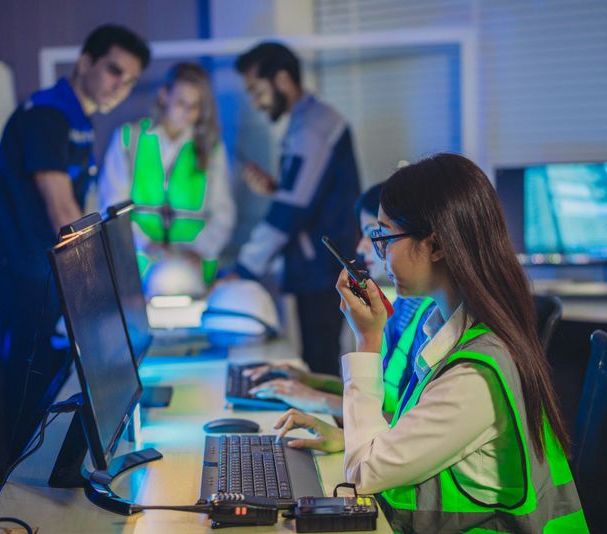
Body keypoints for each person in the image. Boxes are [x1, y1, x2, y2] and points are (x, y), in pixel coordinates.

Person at [275, 154, 588, 532]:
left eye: (383, 238)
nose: (377, 253)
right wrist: (347, 439)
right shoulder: (449, 333)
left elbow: (362, 474)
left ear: (436, 246)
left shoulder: (474, 375)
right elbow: (410, 439)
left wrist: (368, 340)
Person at [0, 24, 150, 460]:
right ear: (85, 62)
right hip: (19, 267)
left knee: (51, 377)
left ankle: (47, 470)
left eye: (131, 80)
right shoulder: (47, 115)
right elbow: (61, 208)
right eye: (114, 71)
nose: (120, 86)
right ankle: (17, 486)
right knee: (28, 380)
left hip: (43, 267)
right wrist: (98, 283)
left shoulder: (78, 118)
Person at [245, 184, 435, 417]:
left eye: (374, 233)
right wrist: (311, 381)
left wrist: (319, 399)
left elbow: (406, 424)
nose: (362, 247)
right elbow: (382, 394)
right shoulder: (406, 303)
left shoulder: (433, 319)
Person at [233, 42, 361, 376]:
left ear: (282, 79)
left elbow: (290, 211)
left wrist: (243, 269)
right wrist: (276, 189)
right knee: (318, 362)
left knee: (320, 366)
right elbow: (308, 196)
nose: (256, 103)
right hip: (321, 265)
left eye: (257, 91)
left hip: (322, 269)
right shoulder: (307, 122)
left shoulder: (313, 128)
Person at [99, 62, 236, 288]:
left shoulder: (211, 149)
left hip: (194, 270)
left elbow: (223, 214)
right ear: (164, 96)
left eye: (195, 106)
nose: (187, 112)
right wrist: (145, 243)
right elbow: (111, 205)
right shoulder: (129, 138)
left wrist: (199, 250)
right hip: (138, 268)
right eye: (181, 102)